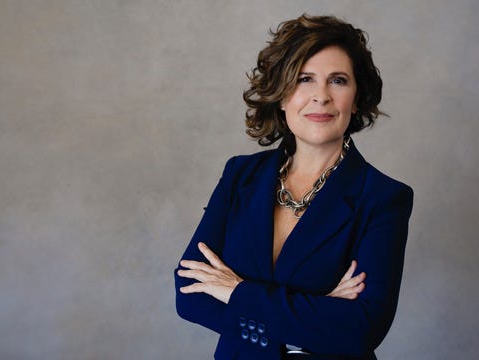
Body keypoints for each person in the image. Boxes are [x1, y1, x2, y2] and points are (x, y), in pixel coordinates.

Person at [174, 14, 413, 360]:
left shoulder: (383, 198)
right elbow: (189, 295)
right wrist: (316, 313)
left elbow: (361, 329)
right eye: (304, 79)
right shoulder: (240, 175)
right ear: (282, 96)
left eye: (338, 81)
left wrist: (237, 292)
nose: (321, 97)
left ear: (357, 98)